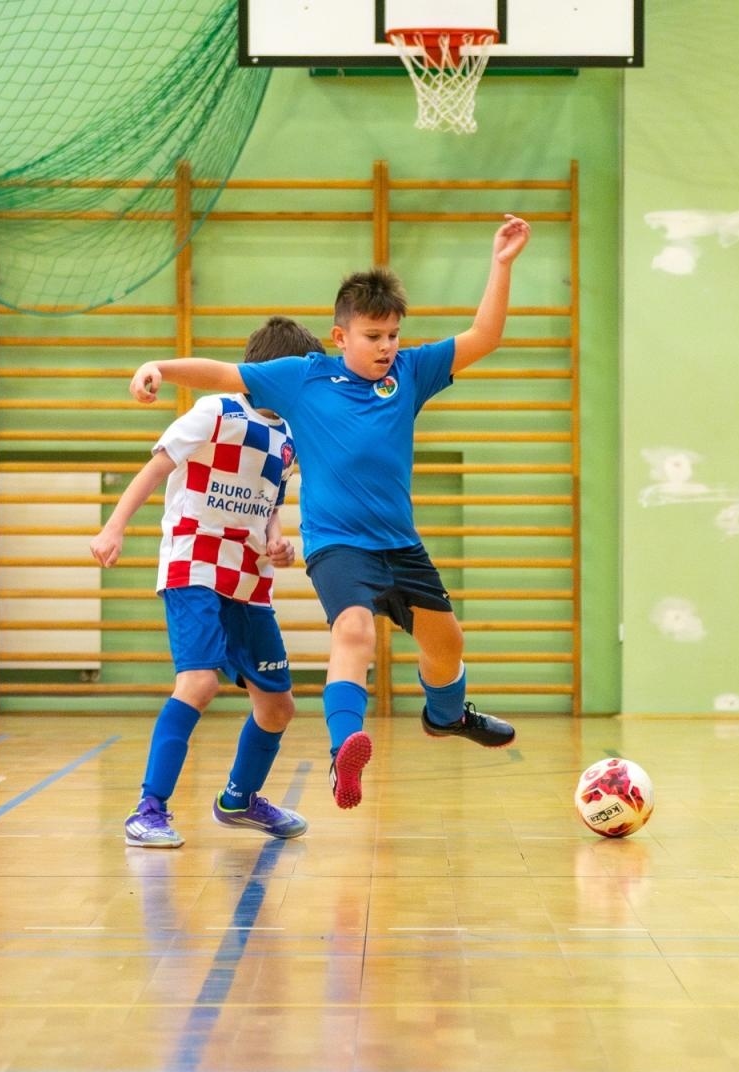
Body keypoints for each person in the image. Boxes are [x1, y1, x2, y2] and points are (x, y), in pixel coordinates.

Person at [128, 217, 532, 809]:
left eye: (393, 334)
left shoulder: (410, 373)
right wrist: (160, 369)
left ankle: (446, 716)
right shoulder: (304, 378)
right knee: (354, 631)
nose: (386, 346)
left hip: (401, 545)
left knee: (447, 643)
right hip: (338, 545)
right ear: (341, 336)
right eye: (373, 336)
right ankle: (346, 751)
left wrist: (501, 264)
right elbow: (222, 372)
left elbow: (484, 335)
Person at [91, 317, 321, 848]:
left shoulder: (288, 438)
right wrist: (113, 527)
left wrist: (277, 542)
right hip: (194, 563)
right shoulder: (216, 411)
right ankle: (148, 809)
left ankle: (239, 799)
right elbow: (156, 468)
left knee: (278, 706)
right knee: (199, 683)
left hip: (249, 577)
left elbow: (269, 506)